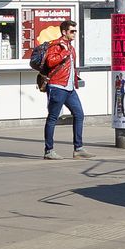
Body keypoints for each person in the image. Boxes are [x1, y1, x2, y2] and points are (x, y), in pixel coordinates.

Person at [35, 26, 84, 159]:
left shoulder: (70, 47)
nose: (74, 33)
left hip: (69, 88)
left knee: (79, 114)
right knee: (52, 118)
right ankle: (49, 151)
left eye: (75, 31)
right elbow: (51, 62)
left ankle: (78, 149)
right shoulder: (56, 45)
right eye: (72, 31)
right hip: (57, 86)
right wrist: (63, 53)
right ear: (64, 32)